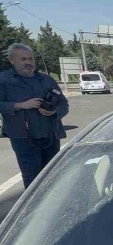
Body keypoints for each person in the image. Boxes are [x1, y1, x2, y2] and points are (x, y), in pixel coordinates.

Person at [0, 43, 70, 188]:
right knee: (32, 177)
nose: (28, 62)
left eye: (30, 59)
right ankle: (34, 203)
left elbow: (63, 104)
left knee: (52, 174)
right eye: (23, 59)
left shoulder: (47, 80)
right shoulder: (4, 80)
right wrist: (20, 105)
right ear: (12, 60)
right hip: (23, 137)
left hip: (50, 135)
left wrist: (54, 112)